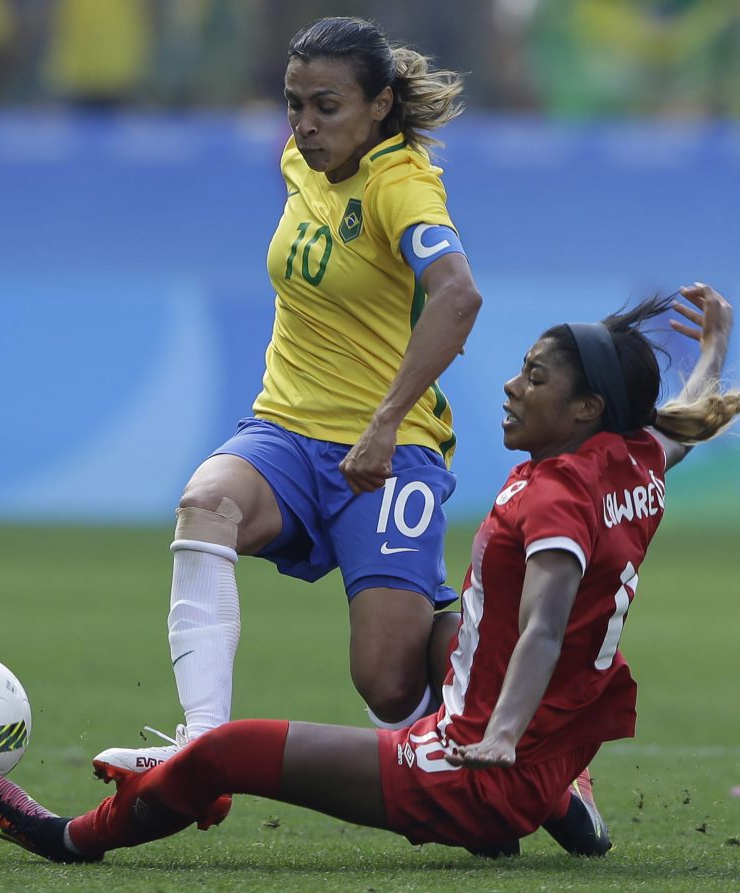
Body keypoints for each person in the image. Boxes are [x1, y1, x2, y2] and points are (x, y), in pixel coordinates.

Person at [0, 285, 740, 862]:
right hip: (555, 745)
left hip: (472, 770)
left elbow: (544, 624)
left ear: (586, 410)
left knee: (224, 750)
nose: (511, 386)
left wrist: (499, 737)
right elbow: (677, 427)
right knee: (449, 629)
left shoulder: (554, 498)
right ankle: (563, 799)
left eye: (536, 377)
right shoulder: (632, 459)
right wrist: (713, 353)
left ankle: (69, 837)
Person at [92, 15, 484, 777]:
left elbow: (458, 295)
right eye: (295, 105)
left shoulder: (401, 185)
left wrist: (385, 421)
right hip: (285, 429)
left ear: (379, 105)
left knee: (386, 678)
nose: (305, 125)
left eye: (326, 107)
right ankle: (201, 748)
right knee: (206, 504)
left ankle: (497, 733)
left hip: (388, 449)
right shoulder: (300, 163)